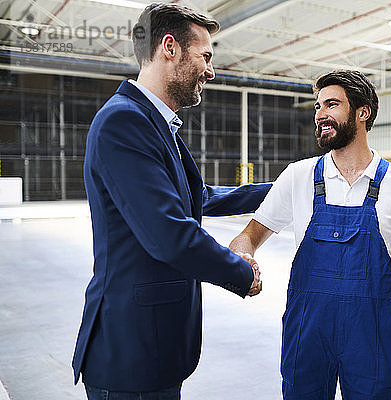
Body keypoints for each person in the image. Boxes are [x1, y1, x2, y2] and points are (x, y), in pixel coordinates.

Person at [72, 3, 270, 398]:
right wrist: (241, 273)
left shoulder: (155, 124)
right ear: (169, 47)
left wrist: (286, 188)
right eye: (205, 56)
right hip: (130, 355)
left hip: (155, 347)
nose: (210, 70)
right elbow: (169, 233)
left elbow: (198, 197)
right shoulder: (124, 122)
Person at [229, 70, 391, 399]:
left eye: (331, 104)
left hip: (372, 337)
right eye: (317, 106)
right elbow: (247, 236)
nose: (320, 114)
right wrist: (241, 258)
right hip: (307, 333)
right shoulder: (298, 176)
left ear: (362, 113)